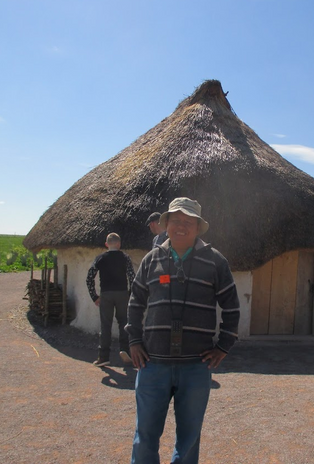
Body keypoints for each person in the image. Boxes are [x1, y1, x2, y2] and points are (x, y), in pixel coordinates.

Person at [126, 197, 240, 464]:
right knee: (145, 436)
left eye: (188, 222)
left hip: (195, 366)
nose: (181, 226)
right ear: (166, 225)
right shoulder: (151, 260)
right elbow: (135, 302)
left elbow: (232, 307)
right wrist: (134, 340)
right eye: (176, 220)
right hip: (153, 364)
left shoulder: (215, 262)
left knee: (189, 439)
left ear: (198, 227)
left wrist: (224, 346)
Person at [86, 233, 136, 367]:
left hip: (106, 294)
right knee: (124, 323)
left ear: (106, 244)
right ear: (119, 244)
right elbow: (132, 277)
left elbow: (89, 277)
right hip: (122, 294)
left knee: (105, 325)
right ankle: (125, 351)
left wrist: (94, 296)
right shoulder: (125, 257)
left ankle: (103, 357)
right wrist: (130, 294)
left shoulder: (100, 258)